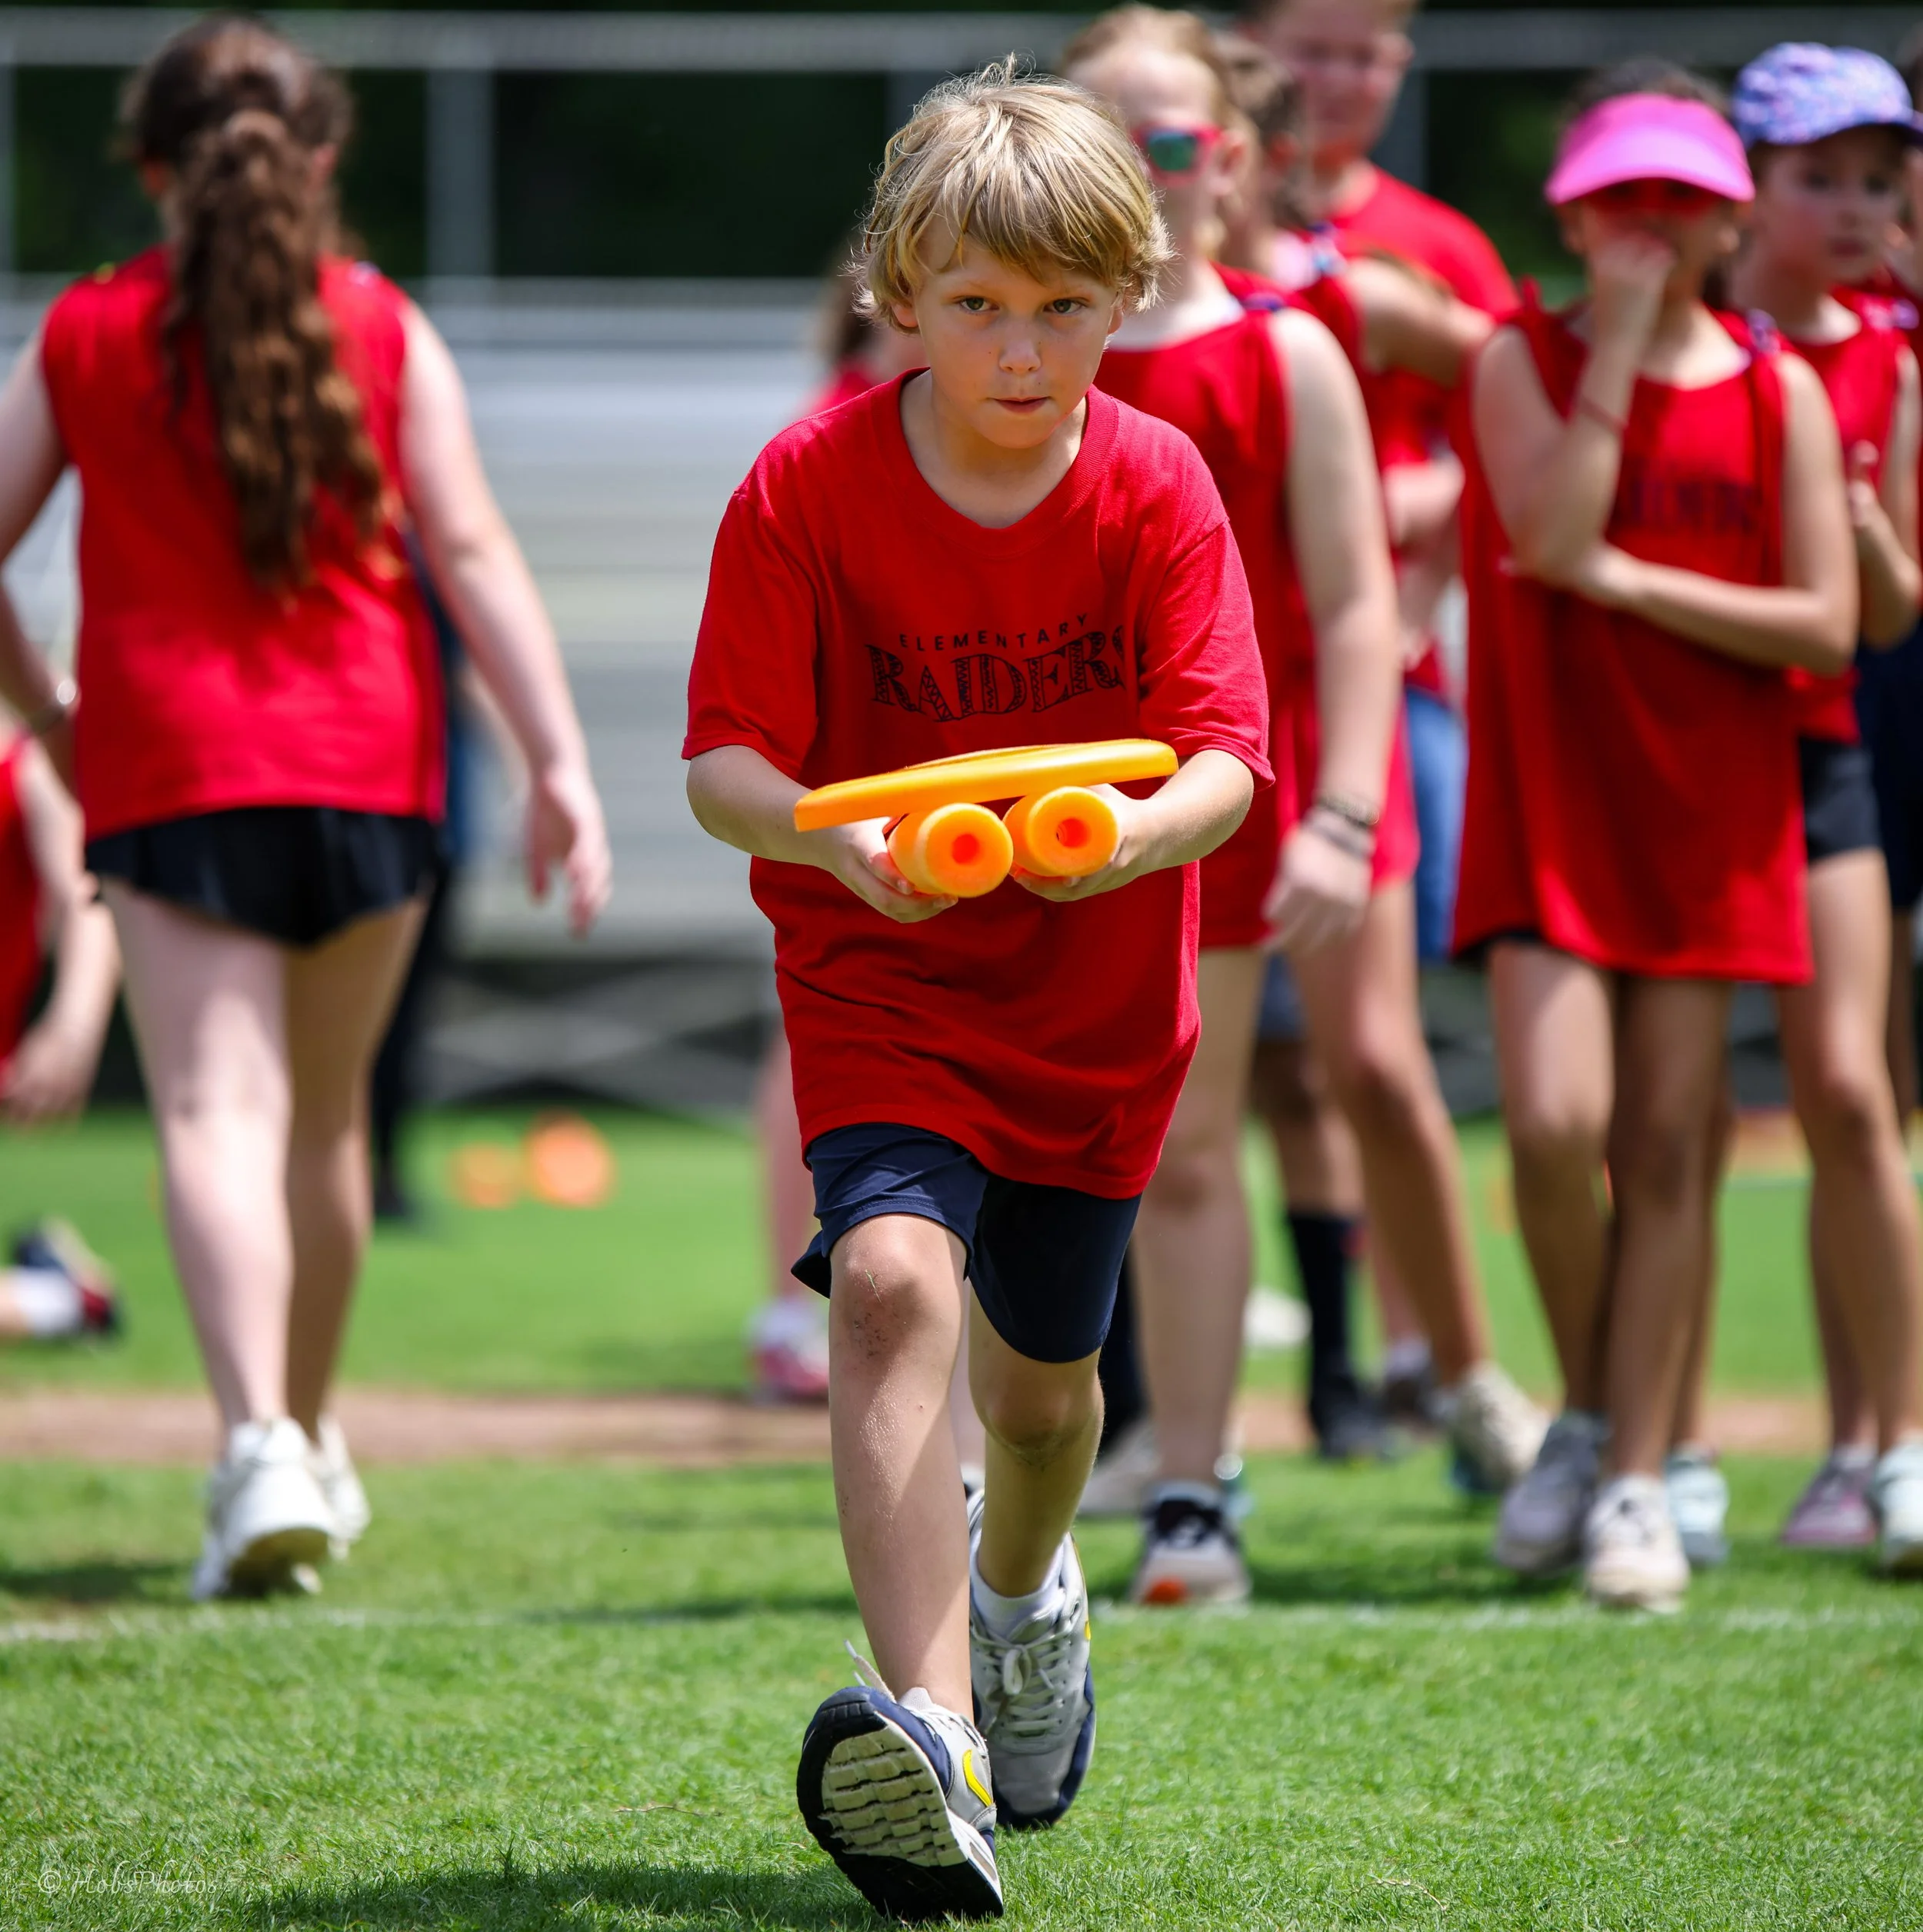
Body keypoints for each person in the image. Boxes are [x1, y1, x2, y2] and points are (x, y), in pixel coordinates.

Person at [684, 64, 1270, 1918]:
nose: (1019, 351)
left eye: (1063, 308)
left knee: (1039, 1399)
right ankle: (932, 1730)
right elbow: (724, 764)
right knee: (883, 1282)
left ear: (1126, 297)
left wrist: (1132, 839)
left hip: (1096, 1002)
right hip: (883, 974)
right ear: (899, 294)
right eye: (975, 305)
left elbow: (1225, 758)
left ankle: (1022, 1598)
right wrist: (835, 836)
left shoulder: (1158, 482)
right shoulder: (804, 485)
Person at [0, 16, 609, 1599]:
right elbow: (469, 548)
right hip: (372, 765)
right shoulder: (383, 320)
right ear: (322, 155)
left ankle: (260, 1440)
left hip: (170, 766)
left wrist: (47, 713)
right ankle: (307, 1436)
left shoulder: (85, 330)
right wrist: (558, 760)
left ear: (151, 168)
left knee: (217, 1109)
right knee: (327, 1122)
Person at [1462, 62, 1860, 1611]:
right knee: (1554, 1127)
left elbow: (1822, 623)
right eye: (1618, 197)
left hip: (1711, 811)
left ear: (1726, 216)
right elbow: (1548, 538)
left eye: (1679, 199)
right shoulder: (1523, 357)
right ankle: (1589, 1415)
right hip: (1555, 799)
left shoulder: (1780, 389)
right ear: (1570, 213)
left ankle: (1633, 1470)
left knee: (1671, 1144)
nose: (1648, 223)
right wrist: (1620, 345)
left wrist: (1637, 586)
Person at [1061, 7, 1397, 1600]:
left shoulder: (1286, 350)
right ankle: (1018, 1483)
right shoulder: (992, 351)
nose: (1143, 167)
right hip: (1015, 808)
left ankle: (1193, 1487)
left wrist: (1345, 812)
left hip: (1213, 806)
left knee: (1191, 1148)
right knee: (1020, 1155)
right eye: (1103, 136)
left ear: (1238, 159)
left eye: (1173, 137)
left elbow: (1356, 602)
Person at [1217, 31, 1502, 1463]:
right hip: (1171, 738)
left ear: (1251, 155)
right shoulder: (1089, 312)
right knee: (1197, 1096)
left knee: (1373, 1065)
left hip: (1340, 721)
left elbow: (1518, 389)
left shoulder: (1349, 287)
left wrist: (1420, 548)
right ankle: (1158, 1433)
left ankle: (1466, 1380)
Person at [1673, 42, 1923, 1571]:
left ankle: (1889, 1444)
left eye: (1876, 182)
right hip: (1682, 761)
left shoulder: (1888, 355)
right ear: (1744, 188)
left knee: (1849, 1088)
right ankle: (1664, 1448)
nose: (1852, 209)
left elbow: (1885, 610)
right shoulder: (1681, 345)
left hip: (1834, 752)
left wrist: (1854, 531)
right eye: (1814, 177)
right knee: (1673, 1117)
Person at [0, 719, 122, 1341]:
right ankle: (58, 1297)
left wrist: (74, 1024)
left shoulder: (26, 761)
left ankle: (69, 1301)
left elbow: (85, 897)